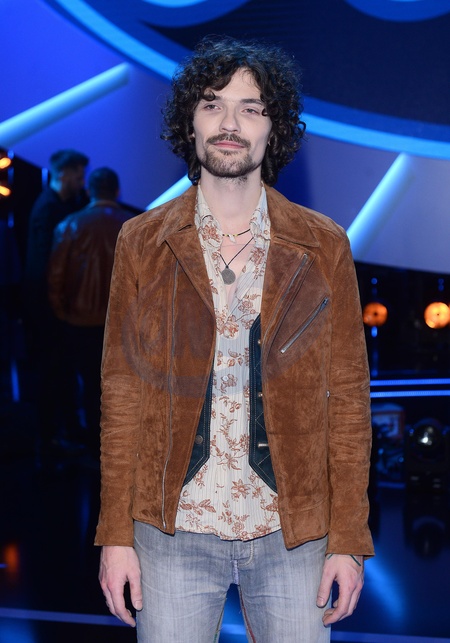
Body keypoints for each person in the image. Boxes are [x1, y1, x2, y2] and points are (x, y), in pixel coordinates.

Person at [96, 35, 374, 642]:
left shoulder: (322, 244)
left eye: (251, 108)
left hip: (294, 530)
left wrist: (349, 538)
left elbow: (349, 400)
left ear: (274, 129)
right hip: (170, 530)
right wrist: (115, 533)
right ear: (189, 124)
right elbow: (122, 396)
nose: (229, 124)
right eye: (212, 105)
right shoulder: (142, 243)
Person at [47, 167, 132, 457]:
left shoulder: (70, 225)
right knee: (118, 384)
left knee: (84, 382)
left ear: (90, 191)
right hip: (121, 324)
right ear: (117, 191)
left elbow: (55, 277)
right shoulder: (134, 227)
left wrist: (61, 313)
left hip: (79, 321)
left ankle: (91, 443)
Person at [23, 149, 89, 457]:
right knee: (52, 372)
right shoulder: (48, 209)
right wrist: (55, 306)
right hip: (47, 307)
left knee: (61, 371)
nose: (82, 181)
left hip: (54, 304)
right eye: (78, 175)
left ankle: (63, 433)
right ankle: (50, 436)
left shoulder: (63, 204)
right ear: (63, 174)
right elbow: (43, 266)